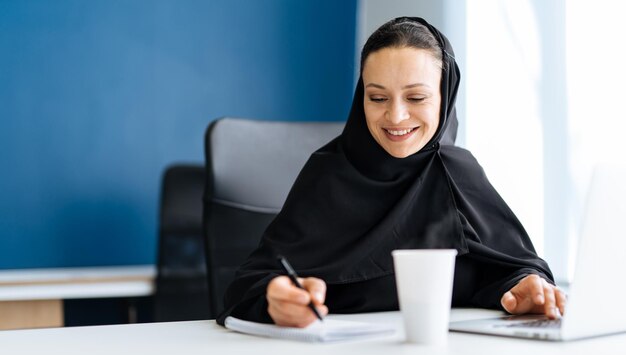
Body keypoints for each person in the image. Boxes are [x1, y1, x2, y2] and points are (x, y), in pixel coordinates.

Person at [216, 16, 567, 328]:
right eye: (378, 98)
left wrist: (526, 288)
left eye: (416, 98)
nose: (396, 117)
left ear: (445, 97)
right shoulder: (328, 174)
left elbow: (513, 269)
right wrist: (275, 300)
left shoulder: (459, 173)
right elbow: (246, 287)